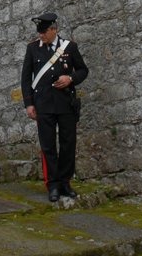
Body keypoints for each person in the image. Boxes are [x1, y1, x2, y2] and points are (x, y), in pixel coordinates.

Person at [20, 12, 89, 202]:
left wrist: (71, 79)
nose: (41, 35)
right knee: (48, 145)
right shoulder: (33, 49)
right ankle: (52, 184)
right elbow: (26, 79)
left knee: (68, 144)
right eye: (39, 32)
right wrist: (29, 104)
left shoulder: (70, 47)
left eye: (44, 32)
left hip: (66, 103)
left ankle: (65, 182)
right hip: (43, 105)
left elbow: (83, 70)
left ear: (54, 29)